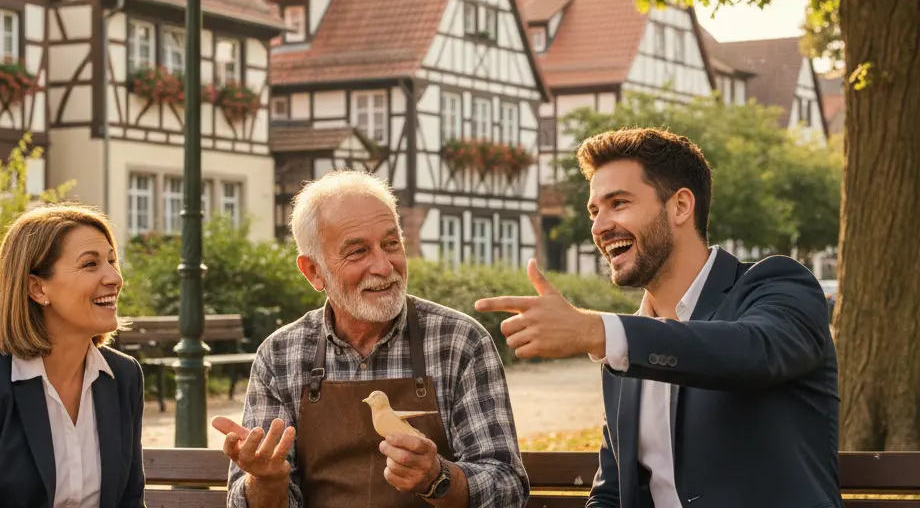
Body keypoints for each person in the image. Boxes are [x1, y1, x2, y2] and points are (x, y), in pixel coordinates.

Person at [475, 128, 841, 508]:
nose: (599, 227)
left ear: (681, 206)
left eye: (618, 203)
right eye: (595, 211)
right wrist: (606, 336)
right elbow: (613, 493)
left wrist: (596, 331)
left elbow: (754, 351)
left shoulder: (778, 284)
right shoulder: (623, 350)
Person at [212, 170, 528, 508]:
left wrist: (438, 479)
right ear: (313, 272)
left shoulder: (460, 342)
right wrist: (265, 480)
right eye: (358, 251)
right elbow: (248, 502)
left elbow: (507, 487)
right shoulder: (280, 356)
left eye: (391, 244)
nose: (383, 265)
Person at [0, 204, 146, 508]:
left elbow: (129, 502)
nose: (114, 277)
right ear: (36, 287)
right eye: (90, 264)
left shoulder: (124, 376)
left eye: (111, 261)